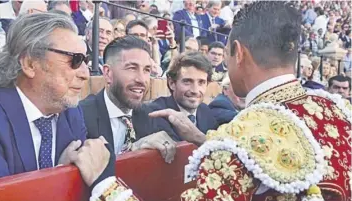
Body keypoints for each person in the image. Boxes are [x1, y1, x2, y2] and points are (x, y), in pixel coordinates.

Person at [149, 2, 351, 200]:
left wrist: (116, 189)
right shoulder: (339, 110)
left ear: (239, 53)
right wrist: (205, 140)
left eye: (227, 53)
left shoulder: (236, 141)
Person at [0, 12, 114, 192]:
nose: (85, 74)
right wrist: (57, 176)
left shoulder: (70, 110)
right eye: (75, 60)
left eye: (85, 60)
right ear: (30, 64)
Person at [80, 35, 176, 163]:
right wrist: (132, 151)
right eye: (132, 68)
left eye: (147, 70)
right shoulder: (81, 115)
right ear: (108, 73)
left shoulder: (151, 116)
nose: (141, 79)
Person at [139, 52, 218, 142]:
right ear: (171, 83)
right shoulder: (153, 113)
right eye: (187, 81)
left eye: (201, 82)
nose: (195, 90)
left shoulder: (205, 111)